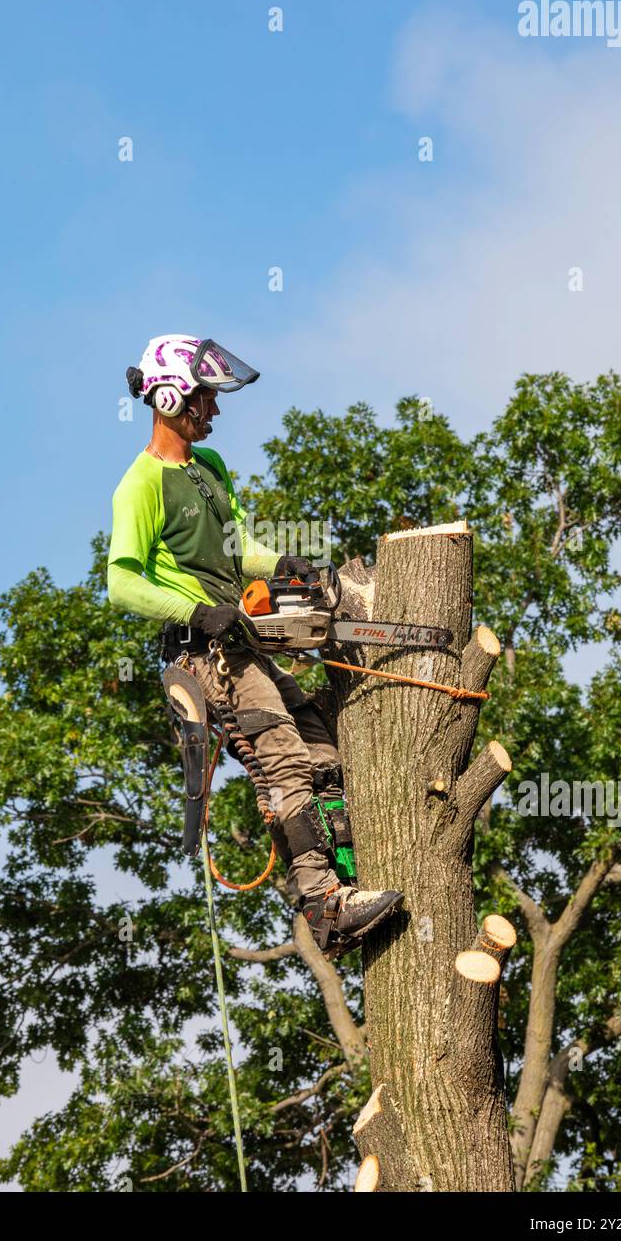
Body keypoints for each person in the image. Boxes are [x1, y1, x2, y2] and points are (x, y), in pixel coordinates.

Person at [107, 334, 403, 955]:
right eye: (205, 398)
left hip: (245, 645)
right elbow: (121, 583)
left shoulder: (209, 470)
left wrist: (289, 564)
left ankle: (347, 882)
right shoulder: (139, 486)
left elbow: (241, 550)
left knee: (322, 747)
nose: (214, 410)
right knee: (285, 758)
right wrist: (197, 610)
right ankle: (322, 901)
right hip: (205, 655)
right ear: (169, 398)